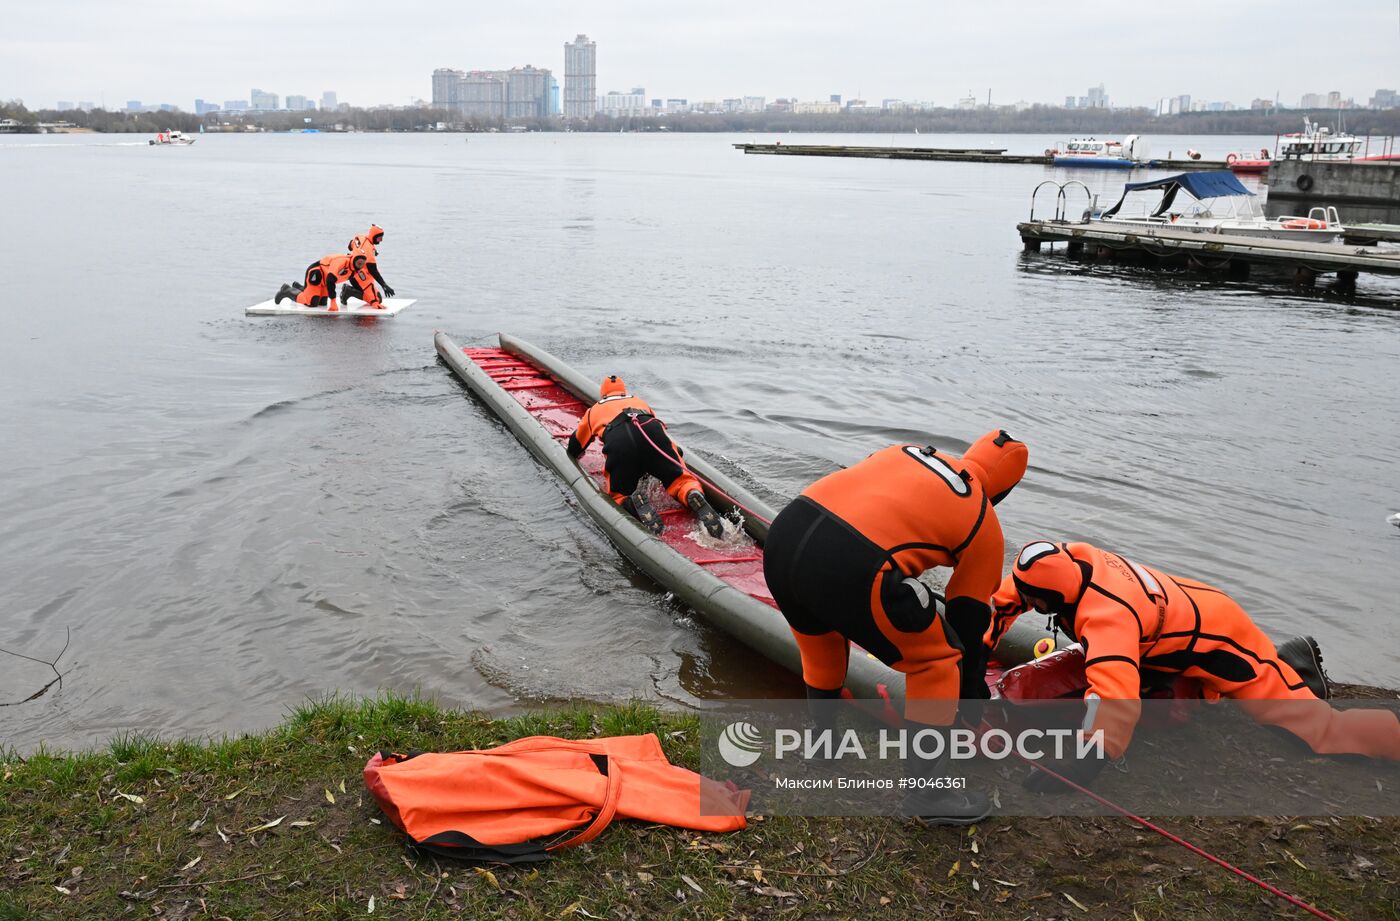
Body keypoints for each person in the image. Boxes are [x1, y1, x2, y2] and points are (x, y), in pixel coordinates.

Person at [761, 430, 1029, 825]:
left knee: (820, 642)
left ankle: (823, 746)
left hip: (786, 533)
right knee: (939, 660)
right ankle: (927, 798)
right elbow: (969, 619)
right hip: (854, 564)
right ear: (1005, 490)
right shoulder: (982, 518)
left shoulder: (904, 451)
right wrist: (971, 693)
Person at [995, 539, 1400, 791]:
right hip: (1172, 624)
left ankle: (1374, 727)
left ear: (1058, 598)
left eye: (1038, 604)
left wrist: (1083, 765)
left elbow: (1113, 697)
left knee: (1316, 731)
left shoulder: (1109, 617)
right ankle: (1286, 663)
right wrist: (970, 657)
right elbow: (1004, 601)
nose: (1032, 607)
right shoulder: (1057, 562)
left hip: (1221, 638)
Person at [566, 375, 725, 539]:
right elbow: (660, 435)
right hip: (652, 433)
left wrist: (573, 453)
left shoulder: (594, 411)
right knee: (680, 480)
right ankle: (691, 493)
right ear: (623, 391)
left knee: (619, 494)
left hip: (620, 442)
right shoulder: (640, 402)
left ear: (603, 394)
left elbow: (575, 445)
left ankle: (633, 503)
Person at [339, 224, 395, 308]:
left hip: (351, 272)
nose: (381, 240)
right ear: (374, 236)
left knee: (377, 297)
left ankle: (350, 291)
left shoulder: (360, 237)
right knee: (376, 300)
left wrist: (370, 250)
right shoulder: (368, 251)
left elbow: (350, 246)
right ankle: (348, 291)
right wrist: (384, 285)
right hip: (358, 277)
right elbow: (373, 271)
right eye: (379, 237)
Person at [275, 253, 355, 309]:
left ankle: (299, 287)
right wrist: (333, 301)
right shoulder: (341, 263)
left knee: (322, 303)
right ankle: (287, 290)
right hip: (317, 274)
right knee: (312, 302)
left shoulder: (357, 268)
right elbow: (331, 281)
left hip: (324, 281)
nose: (361, 265)